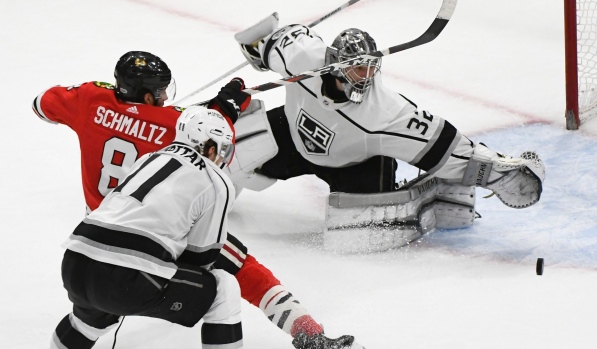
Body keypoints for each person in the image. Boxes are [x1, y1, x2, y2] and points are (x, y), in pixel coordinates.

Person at [33, 51, 361, 349]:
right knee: (237, 273)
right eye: (159, 93)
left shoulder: (90, 99)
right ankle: (310, 334)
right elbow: (208, 132)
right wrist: (230, 102)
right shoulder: (170, 124)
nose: (163, 97)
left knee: (92, 317)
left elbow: (42, 103)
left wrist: (104, 102)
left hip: (96, 229)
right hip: (155, 231)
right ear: (148, 94)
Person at [233, 24, 545, 209]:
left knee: (363, 225)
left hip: (355, 164)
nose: (365, 76)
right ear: (336, 64)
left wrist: (498, 174)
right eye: (358, 68)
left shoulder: (384, 112)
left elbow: (444, 146)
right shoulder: (301, 57)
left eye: (371, 67)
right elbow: (269, 42)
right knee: (234, 151)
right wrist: (256, 46)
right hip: (293, 140)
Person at [52, 106, 243, 348]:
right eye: (222, 149)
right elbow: (200, 258)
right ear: (211, 147)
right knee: (223, 288)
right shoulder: (216, 180)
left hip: (75, 262)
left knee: (88, 320)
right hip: (127, 278)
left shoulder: (148, 158)